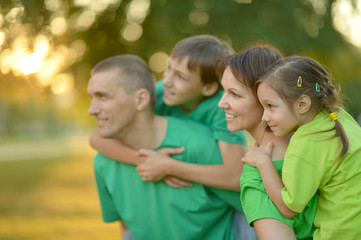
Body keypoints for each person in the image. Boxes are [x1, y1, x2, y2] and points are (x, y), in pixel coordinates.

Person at [90, 35, 255, 239]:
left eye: (180, 76)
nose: (167, 80)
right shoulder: (160, 92)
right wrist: (149, 160)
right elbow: (96, 139)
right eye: (168, 68)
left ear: (208, 88)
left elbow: (235, 177)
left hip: (240, 207)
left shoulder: (221, 109)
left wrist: (170, 167)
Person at [241, 55, 361, 240]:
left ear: (303, 104)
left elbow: (288, 207)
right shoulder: (339, 117)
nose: (264, 117)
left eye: (271, 106)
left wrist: (263, 162)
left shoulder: (306, 141)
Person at [218, 45, 317, 240]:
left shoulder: (257, 175)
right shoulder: (315, 138)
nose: (222, 103)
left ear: (265, 97)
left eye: (235, 94)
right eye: (224, 91)